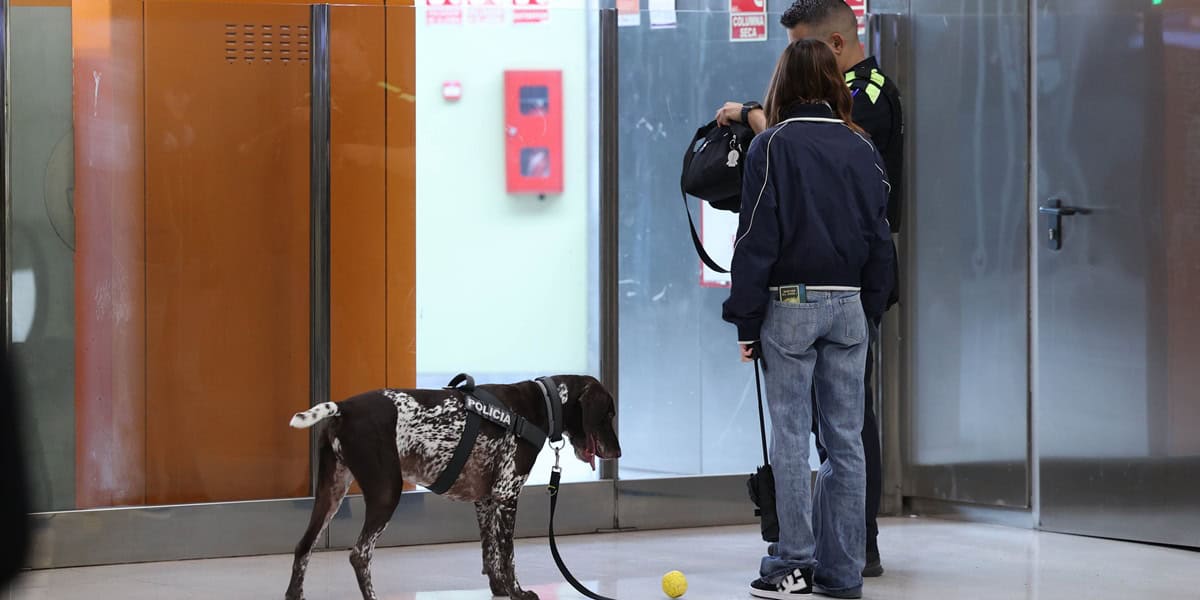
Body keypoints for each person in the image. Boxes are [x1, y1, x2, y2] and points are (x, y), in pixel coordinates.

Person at [717, 0, 903, 577]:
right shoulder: (860, 146)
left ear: (783, 83)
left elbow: (754, 240)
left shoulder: (771, 146)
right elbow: (880, 237)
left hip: (792, 305)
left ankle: (793, 561)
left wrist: (746, 320)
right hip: (850, 305)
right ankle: (845, 568)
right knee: (846, 440)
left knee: (793, 438)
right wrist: (868, 308)